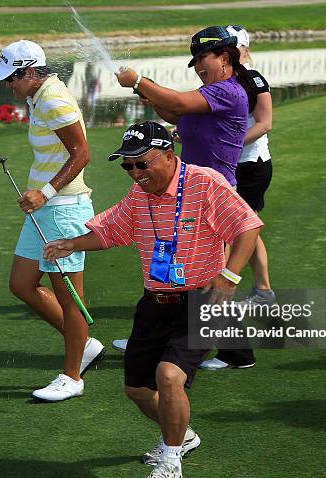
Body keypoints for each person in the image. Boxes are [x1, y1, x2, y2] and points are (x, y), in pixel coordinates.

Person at [44, 121, 263, 478]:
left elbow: (247, 226)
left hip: (200, 301)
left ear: (167, 154)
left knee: (169, 376)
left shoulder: (205, 182)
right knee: (136, 389)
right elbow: (112, 230)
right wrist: (70, 243)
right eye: (127, 166)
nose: (135, 173)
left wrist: (230, 277)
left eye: (141, 163)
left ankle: (171, 461)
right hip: (154, 303)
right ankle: (182, 436)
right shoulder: (138, 196)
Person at [112, 26, 259, 367]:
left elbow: (178, 102)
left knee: (206, 274)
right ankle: (230, 351)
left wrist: (138, 81)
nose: (197, 67)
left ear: (224, 57)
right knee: (189, 270)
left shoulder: (228, 91)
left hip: (214, 195)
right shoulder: (213, 90)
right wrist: (149, 97)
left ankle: (232, 351)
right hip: (191, 191)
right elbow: (175, 113)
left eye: (201, 59)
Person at [0, 40, 104, 403]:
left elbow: (81, 153)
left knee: (71, 298)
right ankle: (82, 344)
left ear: (30, 72)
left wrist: (46, 192)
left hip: (64, 208)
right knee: (22, 284)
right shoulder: (37, 97)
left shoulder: (52, 98)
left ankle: (72, 377)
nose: (9, 85)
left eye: (12, 78)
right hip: (45, 208)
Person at [201, 25, 276, 370]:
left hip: (248, 165)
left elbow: (264, 123)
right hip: (230, 165)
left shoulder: (252, 79)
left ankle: (230, 338)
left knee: (233, 238)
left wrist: (230, 142)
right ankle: (262, 290)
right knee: (244, 231)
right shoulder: (221, 82)